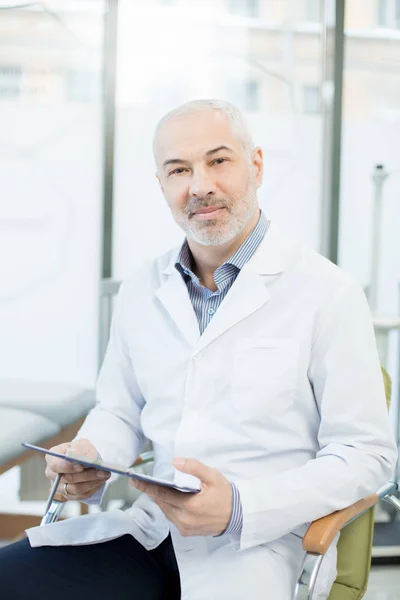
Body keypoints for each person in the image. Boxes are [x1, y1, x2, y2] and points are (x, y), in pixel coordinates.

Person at [0, 99, 396, 600]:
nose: (200, 184)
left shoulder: (327, 293)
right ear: (162, 185)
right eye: (179, 169)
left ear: (255, 165)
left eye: (218, 160)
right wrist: (90, 456)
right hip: (152, 534)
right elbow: (121, 411)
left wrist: (239, 506)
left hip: (260, 549)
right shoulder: (143, 288)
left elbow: (367, 455)